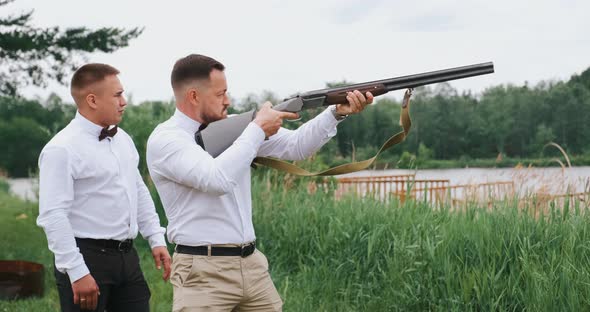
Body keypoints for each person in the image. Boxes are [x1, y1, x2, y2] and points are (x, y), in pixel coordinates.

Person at [146, 54, 373, 311]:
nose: (228, 100)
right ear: (194, 96)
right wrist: (257, 129)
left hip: (251, 264)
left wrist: (334, 114)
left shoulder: (235, 129)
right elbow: (216, 179)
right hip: (201, 271)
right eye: (220, 94)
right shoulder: (166, 140)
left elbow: (296, 146)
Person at [37, 63, 171, 311]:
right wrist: (77, 271)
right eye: (117, 95)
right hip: (87, 257)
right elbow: (53, 215)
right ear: (92, 100)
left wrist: (155, 237)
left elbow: (138, 191)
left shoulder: (124, 140)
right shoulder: (61, 149)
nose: (124, 102)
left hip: (127, 258)